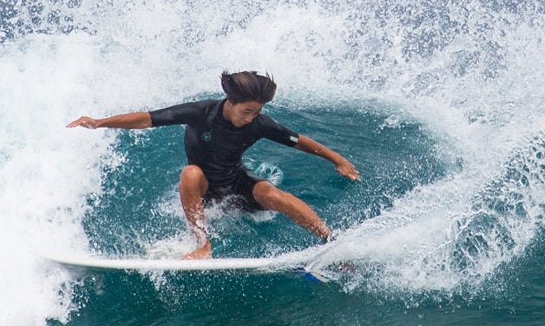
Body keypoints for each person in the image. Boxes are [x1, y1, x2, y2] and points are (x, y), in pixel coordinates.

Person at [67, 70, 360, 258]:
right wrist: (100, 122)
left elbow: (296, 140)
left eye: (257, 112)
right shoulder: (201, 112)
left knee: (271, 193)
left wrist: (337, 159)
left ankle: (331, 241)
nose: (251, 118)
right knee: (191, 173)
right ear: (229, 100)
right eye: (247, 111)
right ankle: (202, 244)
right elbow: (148, 118)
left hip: (235, 186)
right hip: (204, 191)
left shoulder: (259, 123)